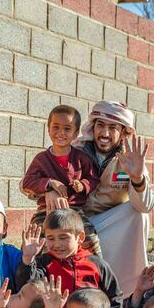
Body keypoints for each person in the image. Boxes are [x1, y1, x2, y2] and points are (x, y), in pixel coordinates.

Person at [72, 101, 154, 295]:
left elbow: (146, 205)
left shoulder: (130, 159)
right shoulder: (76, 150)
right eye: (100, 125)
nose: (105, 133)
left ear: (124, 133)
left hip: (109, 224)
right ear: (93, 127)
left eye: (113, 128)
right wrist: (50, 188)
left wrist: (137, 178)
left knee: (138, 214)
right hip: (76, 223)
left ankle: (130, 293)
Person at [15, 210, 123, 308]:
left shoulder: (97, 265)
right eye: (51, 238)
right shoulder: (44, 263)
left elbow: (114, 297)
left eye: (63, 237)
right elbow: (27, 287)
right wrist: (28, 258)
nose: (57, 244)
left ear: (80, 237)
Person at [20, 105, 101, 255]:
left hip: (73, 211)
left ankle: (98, 271)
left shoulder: (81, 158)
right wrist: (49, 183)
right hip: (46, 211)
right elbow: (27, 182)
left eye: (67, 129)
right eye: (56, 127)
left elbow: (93, 178)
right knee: (33, 242)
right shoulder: (41, 159)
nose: (61, 133)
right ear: (48, 128)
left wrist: (82, 185)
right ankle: (29, 274)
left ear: (76, 133)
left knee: (91, 239)